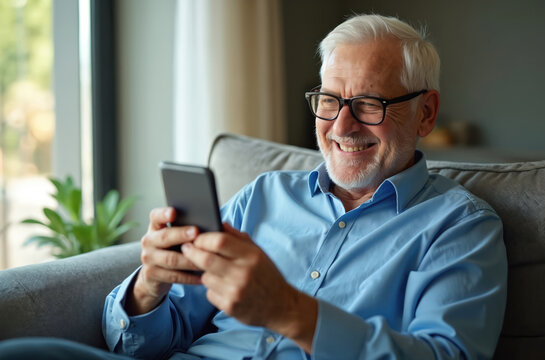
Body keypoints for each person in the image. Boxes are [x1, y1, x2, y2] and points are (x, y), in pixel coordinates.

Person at [0, 13, 507, 360]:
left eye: (370, 104)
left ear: (426, 112)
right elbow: (143, 341)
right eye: (329, 101)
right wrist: (149, 286)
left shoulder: (462, 228)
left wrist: (291, 313)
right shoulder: (265, 196)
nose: (342, 125)